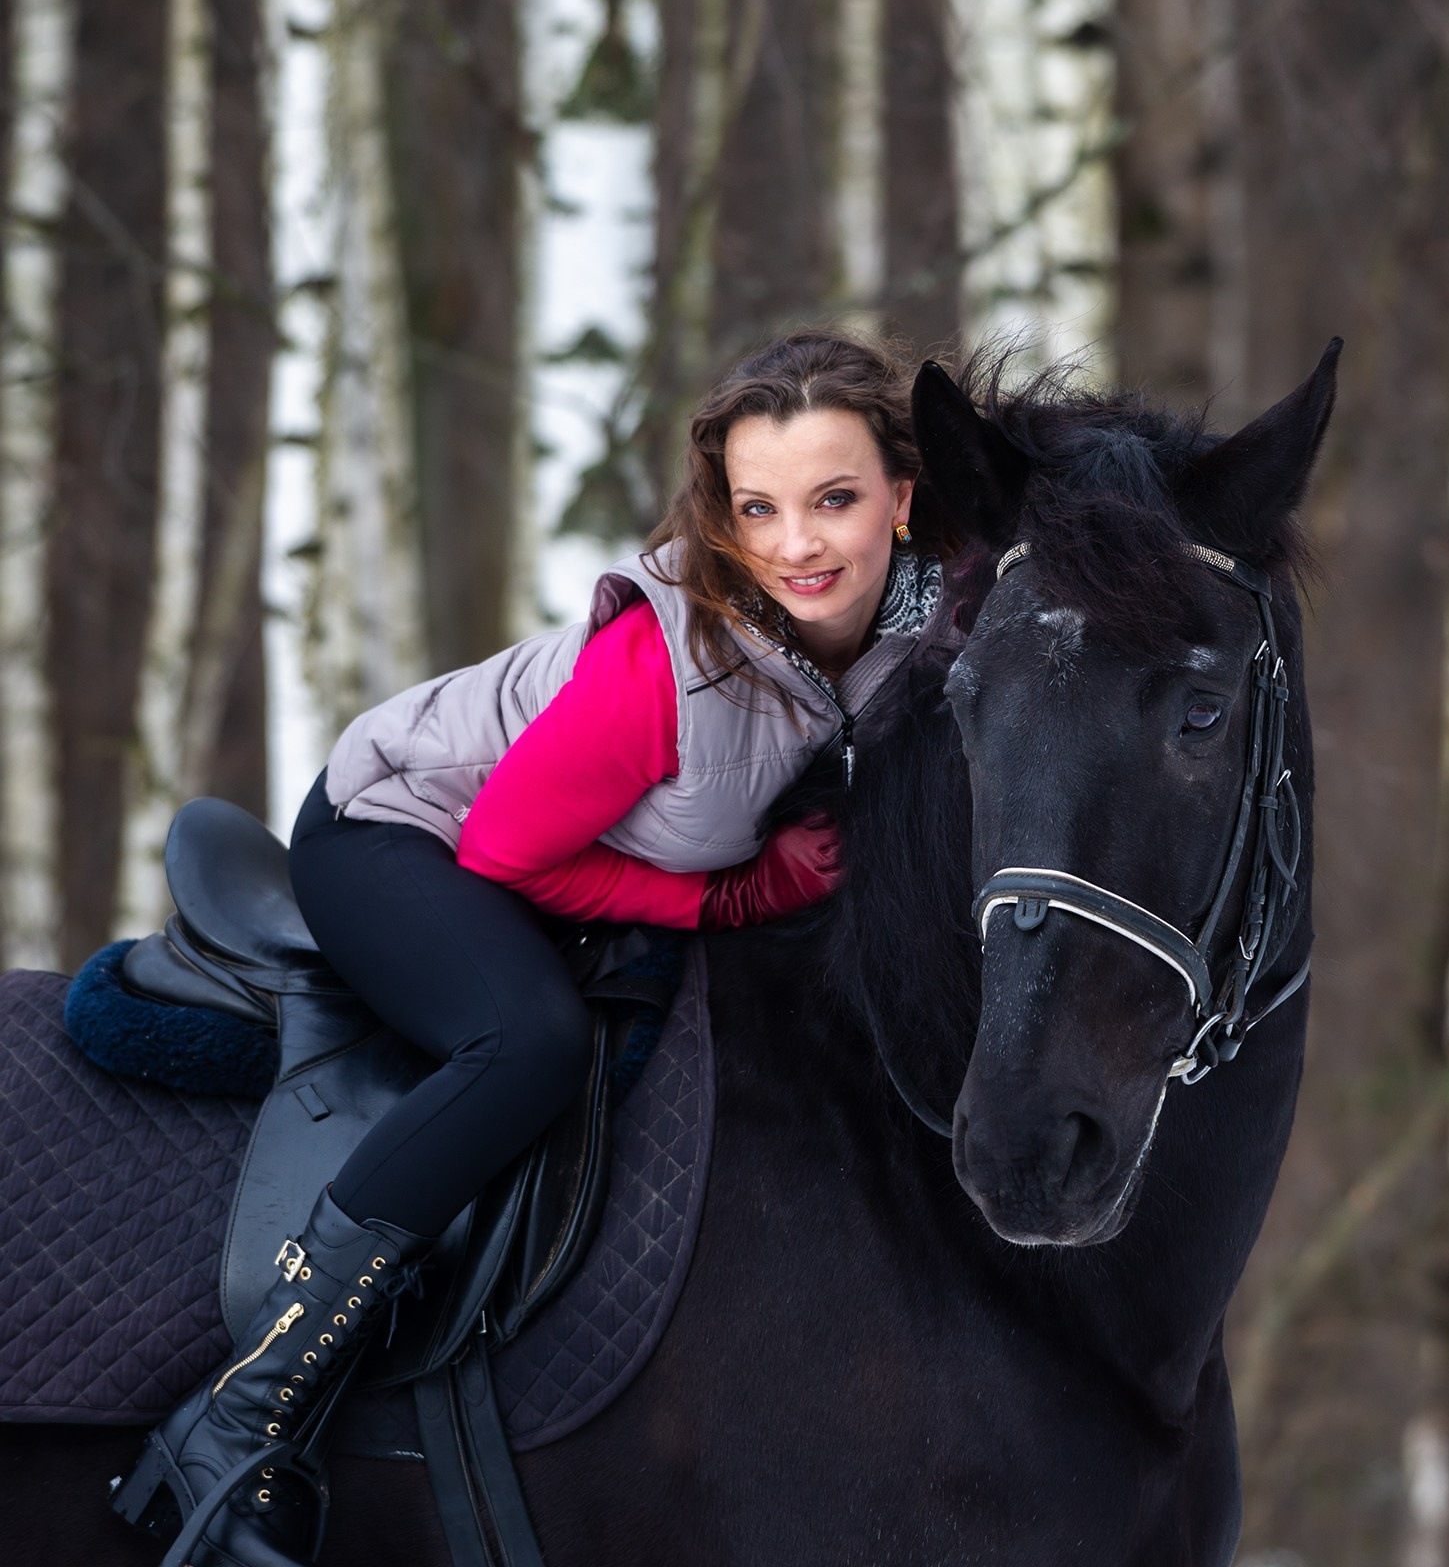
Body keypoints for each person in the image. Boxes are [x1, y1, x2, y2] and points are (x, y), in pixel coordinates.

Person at [113, 330, 947, 1565]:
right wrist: (721, 902)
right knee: (529, 1043)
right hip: (403, 835)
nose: (795, 546)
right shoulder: (666, 675)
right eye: (757, 508)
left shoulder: (921, 633)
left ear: (903, 498)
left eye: (835, 500)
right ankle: (239, 1422)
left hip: (543, 854)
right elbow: (508, 852)